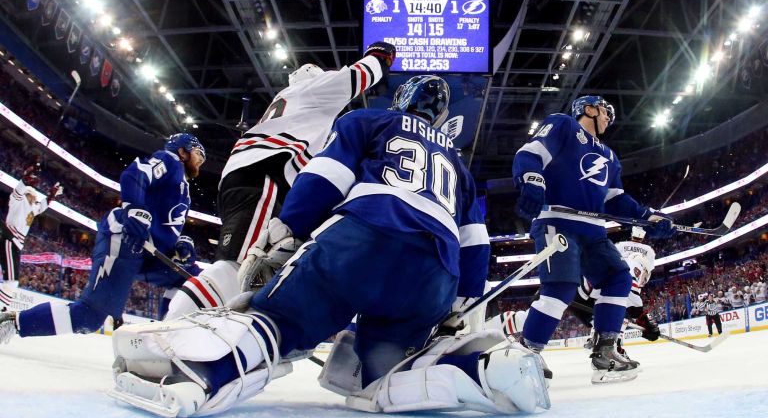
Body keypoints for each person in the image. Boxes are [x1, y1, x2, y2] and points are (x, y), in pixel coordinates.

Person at [109, 76, 551, 416]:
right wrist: (462, 300)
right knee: (382, 366)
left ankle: (202, 376)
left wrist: (288, 230)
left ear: (401, 102)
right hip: (434, 273)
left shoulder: (368, 120)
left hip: (362, 239)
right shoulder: (459, 165)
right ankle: (477, 369)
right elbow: (475, 242)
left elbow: (325, 178)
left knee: (278, 320)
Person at [163, 41, 397, 319]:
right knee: (237, 266)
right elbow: (359, 76)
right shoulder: (315, 90)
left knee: (247, 267)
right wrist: (380, 57)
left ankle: (216, 335)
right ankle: (171, 329)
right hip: (265, 176)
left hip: (247, 175)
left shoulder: (294, 106)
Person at [511, 95, 675, 383]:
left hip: (593, 229)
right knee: (561, 287)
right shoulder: (563, 125)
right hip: (557, 220)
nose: (608, 118)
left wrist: (649, 218)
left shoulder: (610, 156)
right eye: (604, 112)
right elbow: (529, 154)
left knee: (618, 278)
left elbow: (616, 200)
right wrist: (532, 180)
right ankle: (527, 354)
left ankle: (605, 353)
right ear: (588, 109)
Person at [0, 134, 206, 343]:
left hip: (149, 252)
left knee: (193, 280)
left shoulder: (182, 184)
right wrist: (134, 209)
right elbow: (135, 175)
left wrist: (179, 243)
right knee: (89, 317)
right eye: (199, 154)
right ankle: (11, 322)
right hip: (126, 241)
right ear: (182, 151)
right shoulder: (170, 161)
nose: (201, 160)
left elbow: (165, 222)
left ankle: (165, 340)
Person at [489, 226, 661, 368]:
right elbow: (635, 308)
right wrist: (649, 327)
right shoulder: (633, 268)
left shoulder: (621, 255)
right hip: (574, 288)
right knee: (613, 315)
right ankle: (604, 355)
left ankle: (488, 329)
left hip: (578, 288)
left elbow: (635, 309)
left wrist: (646, 324)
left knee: (533, 317)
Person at [0, 162, 62, 309]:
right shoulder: (18, 201)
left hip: (15, 244)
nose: (35, 199)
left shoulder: (33, 208)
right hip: (9, 239)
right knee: (11, 282)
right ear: (28, 195)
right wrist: (25, 179)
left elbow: (42, 206)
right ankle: (2, 307)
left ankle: (3, 307)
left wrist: (51, 195)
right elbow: (17, 192)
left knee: (12, 282)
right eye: (33, 196)